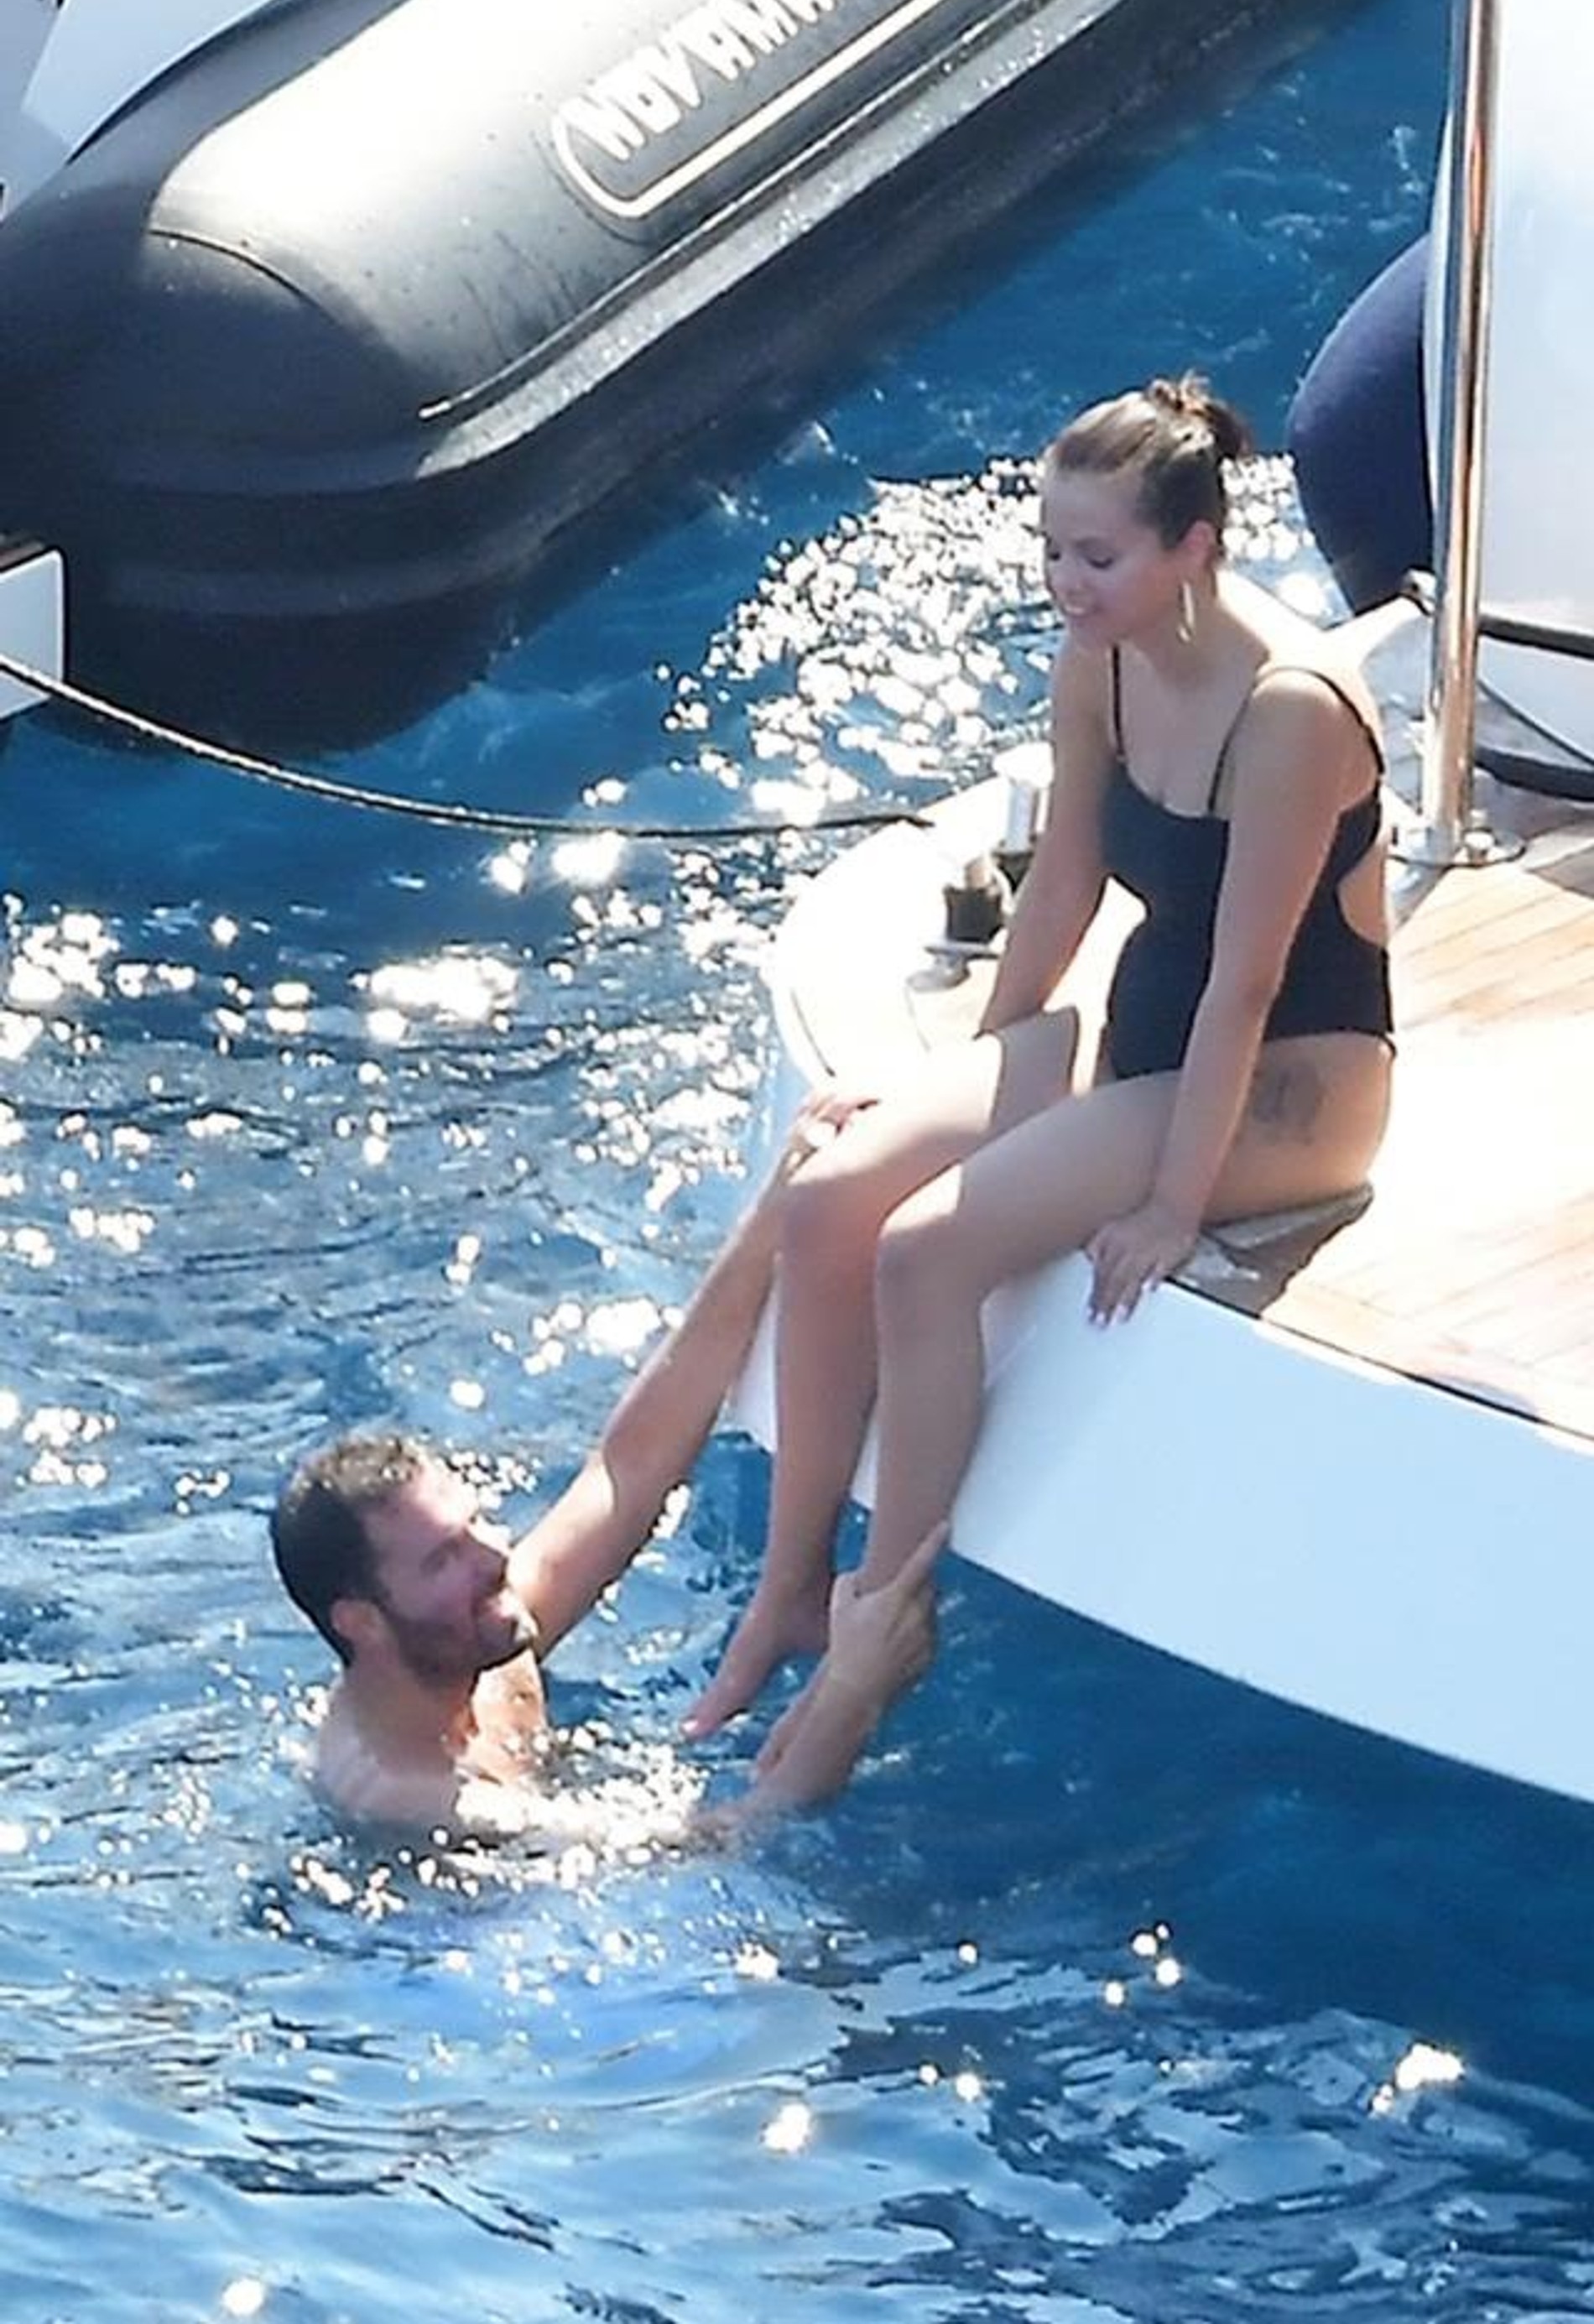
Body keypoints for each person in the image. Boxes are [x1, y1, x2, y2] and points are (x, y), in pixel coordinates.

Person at [685, 373, 1394, 1779]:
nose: (1067, 583)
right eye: (1053, 550)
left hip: (1288, 1085)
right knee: (833, 1201)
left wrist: (1175, 1202)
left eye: (1099, 556)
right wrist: (977, 1071)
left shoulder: (1291, 711)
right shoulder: (1102, 657)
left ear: (1195, 547)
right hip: (1145, 1041)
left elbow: (1248, 983)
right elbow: (1064, 883)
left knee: (924, 1255)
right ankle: (790, 1591)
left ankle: (883, 1624)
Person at [270, 1122, 945, 1842]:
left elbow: (628, 1469)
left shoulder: (464, 1637)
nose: (496, 1557)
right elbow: (729, 1838)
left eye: (475, 1527)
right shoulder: (410, 1796)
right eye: (443, 1559)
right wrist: (856, 1690)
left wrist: (771, 1221)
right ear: (362, 1622)